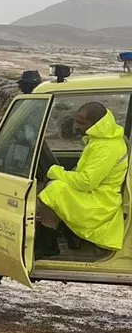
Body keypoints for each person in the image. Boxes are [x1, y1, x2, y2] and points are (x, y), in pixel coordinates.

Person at [36, 102, 128, 256]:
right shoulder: (100, 140)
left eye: (82, 123)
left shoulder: (107, 147)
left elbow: (86, 182)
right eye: (76, 121)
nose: (77, 126)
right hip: (95, 194)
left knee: (53, 190)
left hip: (101, 202)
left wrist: (54, 171)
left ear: (96, 124)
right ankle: (66, 234)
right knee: (53, 187)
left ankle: (48, 243)